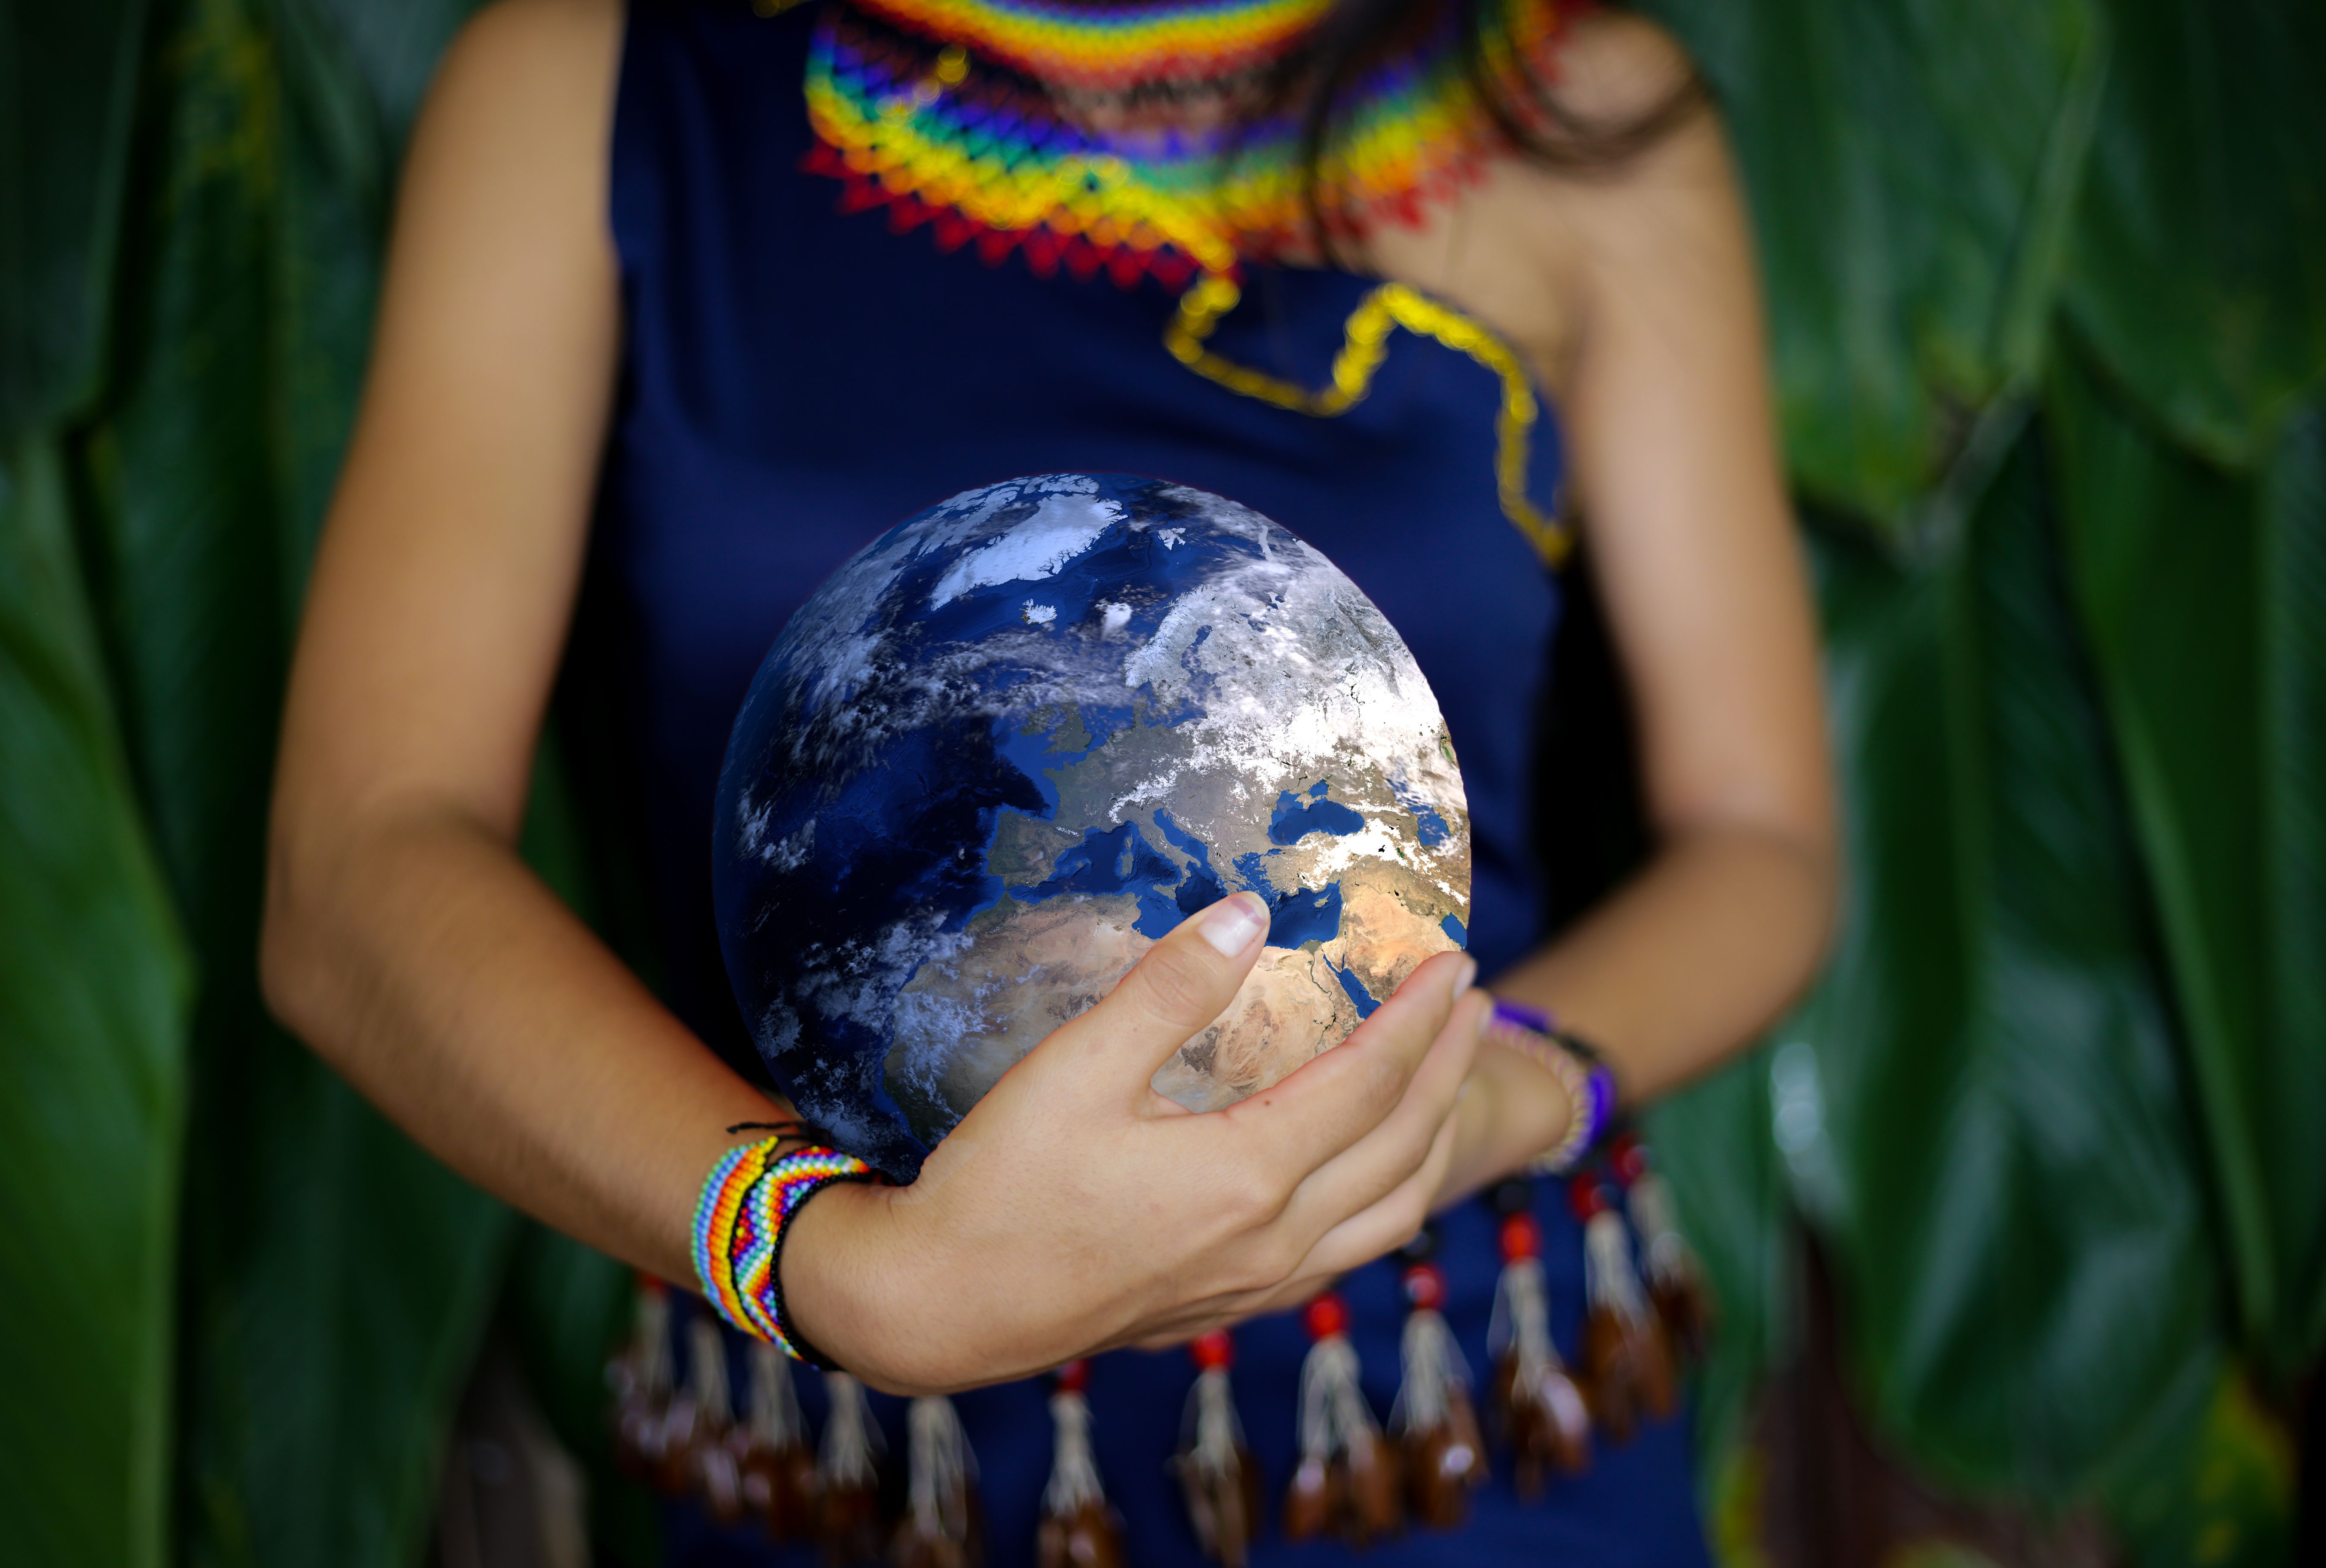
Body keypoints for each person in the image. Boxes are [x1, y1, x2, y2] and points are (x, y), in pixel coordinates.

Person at [261, 0, 1836, 1561]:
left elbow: (1760, 840)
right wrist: (824, 1258)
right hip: (851, 1452)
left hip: (1442, 1408)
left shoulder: (1574, 104)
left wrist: (1479, 1100)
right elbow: (363, 863)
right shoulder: (593, 88)